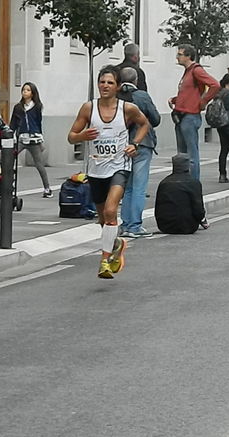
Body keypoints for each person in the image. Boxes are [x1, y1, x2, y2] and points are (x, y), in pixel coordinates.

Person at [68, 65, 150, 279]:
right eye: (102, 82)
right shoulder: (88, 108)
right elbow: (71, 136)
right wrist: (82, 136)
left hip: (119, 165)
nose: (105, 86)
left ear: (118, 86)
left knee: (111, 211)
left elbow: (145, 124)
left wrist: (135, 144)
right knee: (103, 219)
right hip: (96, 168)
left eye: (110, 83)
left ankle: (105, 261)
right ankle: (116, 243)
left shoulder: (127, 109)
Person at [117, 67, 161, 238]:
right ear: (136, 80)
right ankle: (135, 225)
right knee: (139, 187)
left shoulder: (115, 96)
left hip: (121, 145)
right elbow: (156, 119)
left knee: (126, 187)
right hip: (141, 144)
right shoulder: (142, 96)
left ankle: (125, 224)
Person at [168, 44, 220, 181]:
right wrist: (175, 100)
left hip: (189, 116)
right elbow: (189, 93)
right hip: (181, 115)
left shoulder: (196, 70)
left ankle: (193, 182)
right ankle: (184, 181)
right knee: (182, 153)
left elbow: (215, 85)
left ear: (188, 56)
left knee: (191, 154)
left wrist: (203, 102)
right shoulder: (187, 72)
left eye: (180, 54)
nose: (177, 57)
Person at [9, 82, 52, 198]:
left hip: (34, 138)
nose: (25, 92)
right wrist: (10, 134)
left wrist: (40, 137)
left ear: (32, 93)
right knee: (9, 158)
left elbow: (38, 122)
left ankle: (47, 188)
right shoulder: (18, 107)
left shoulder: (37, 106)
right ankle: (7, 186)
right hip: (22, 138)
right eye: (23, 90)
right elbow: (13, 122)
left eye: (27, 90)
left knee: (39, 164)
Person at [155, 153, 206, 235]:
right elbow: (198, 208)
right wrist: (202, 220)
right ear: (187, 166)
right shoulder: (194, 182)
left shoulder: (164, 183)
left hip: (165, 226)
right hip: (188, 226)